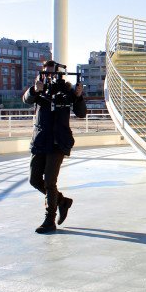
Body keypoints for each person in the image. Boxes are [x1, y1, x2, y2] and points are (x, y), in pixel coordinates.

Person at [23, 60, 87, 234]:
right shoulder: (39, 88)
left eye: (52, 72)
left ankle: (49, 220)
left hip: (58, 142)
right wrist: (35, 90)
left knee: (50, 182)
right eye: (46, 72)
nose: (49, 76)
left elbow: (81, 113)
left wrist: (79, 96)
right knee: (34, 180)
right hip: (40, 140)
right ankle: (62, 202)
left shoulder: (67, 91)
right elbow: (27, 99)